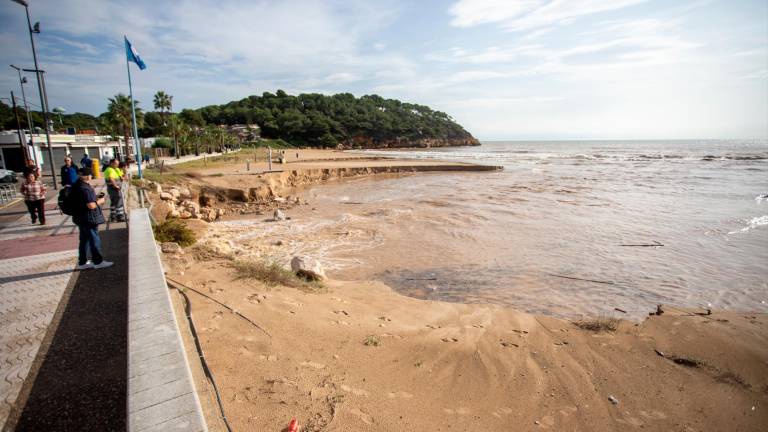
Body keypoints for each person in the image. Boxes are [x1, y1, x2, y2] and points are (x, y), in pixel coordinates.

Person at [71, 167, 113, 270]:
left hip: (79, 217)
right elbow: (90, 205)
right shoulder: (85, 188)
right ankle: (98, 262)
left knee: (84, 240)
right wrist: (100, 201)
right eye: (90, 174)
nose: (91, 176)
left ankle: (82, 262)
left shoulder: (76, 185)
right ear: (87, 175)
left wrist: (95, 198)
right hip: (88, 218)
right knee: (94, 239)